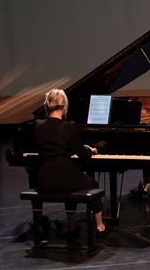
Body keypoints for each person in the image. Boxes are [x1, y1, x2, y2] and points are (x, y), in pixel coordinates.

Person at [34, 89, 106, 235]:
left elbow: (51, 146)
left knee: (71, 176)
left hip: (43, 180)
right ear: (65, 106)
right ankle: (99, 226)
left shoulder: (38, 125)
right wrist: (91, 150)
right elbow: (83, 156)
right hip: (65, 179)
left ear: (47, 105)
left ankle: (72, 226)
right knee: (92, 183)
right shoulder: (69, 127)